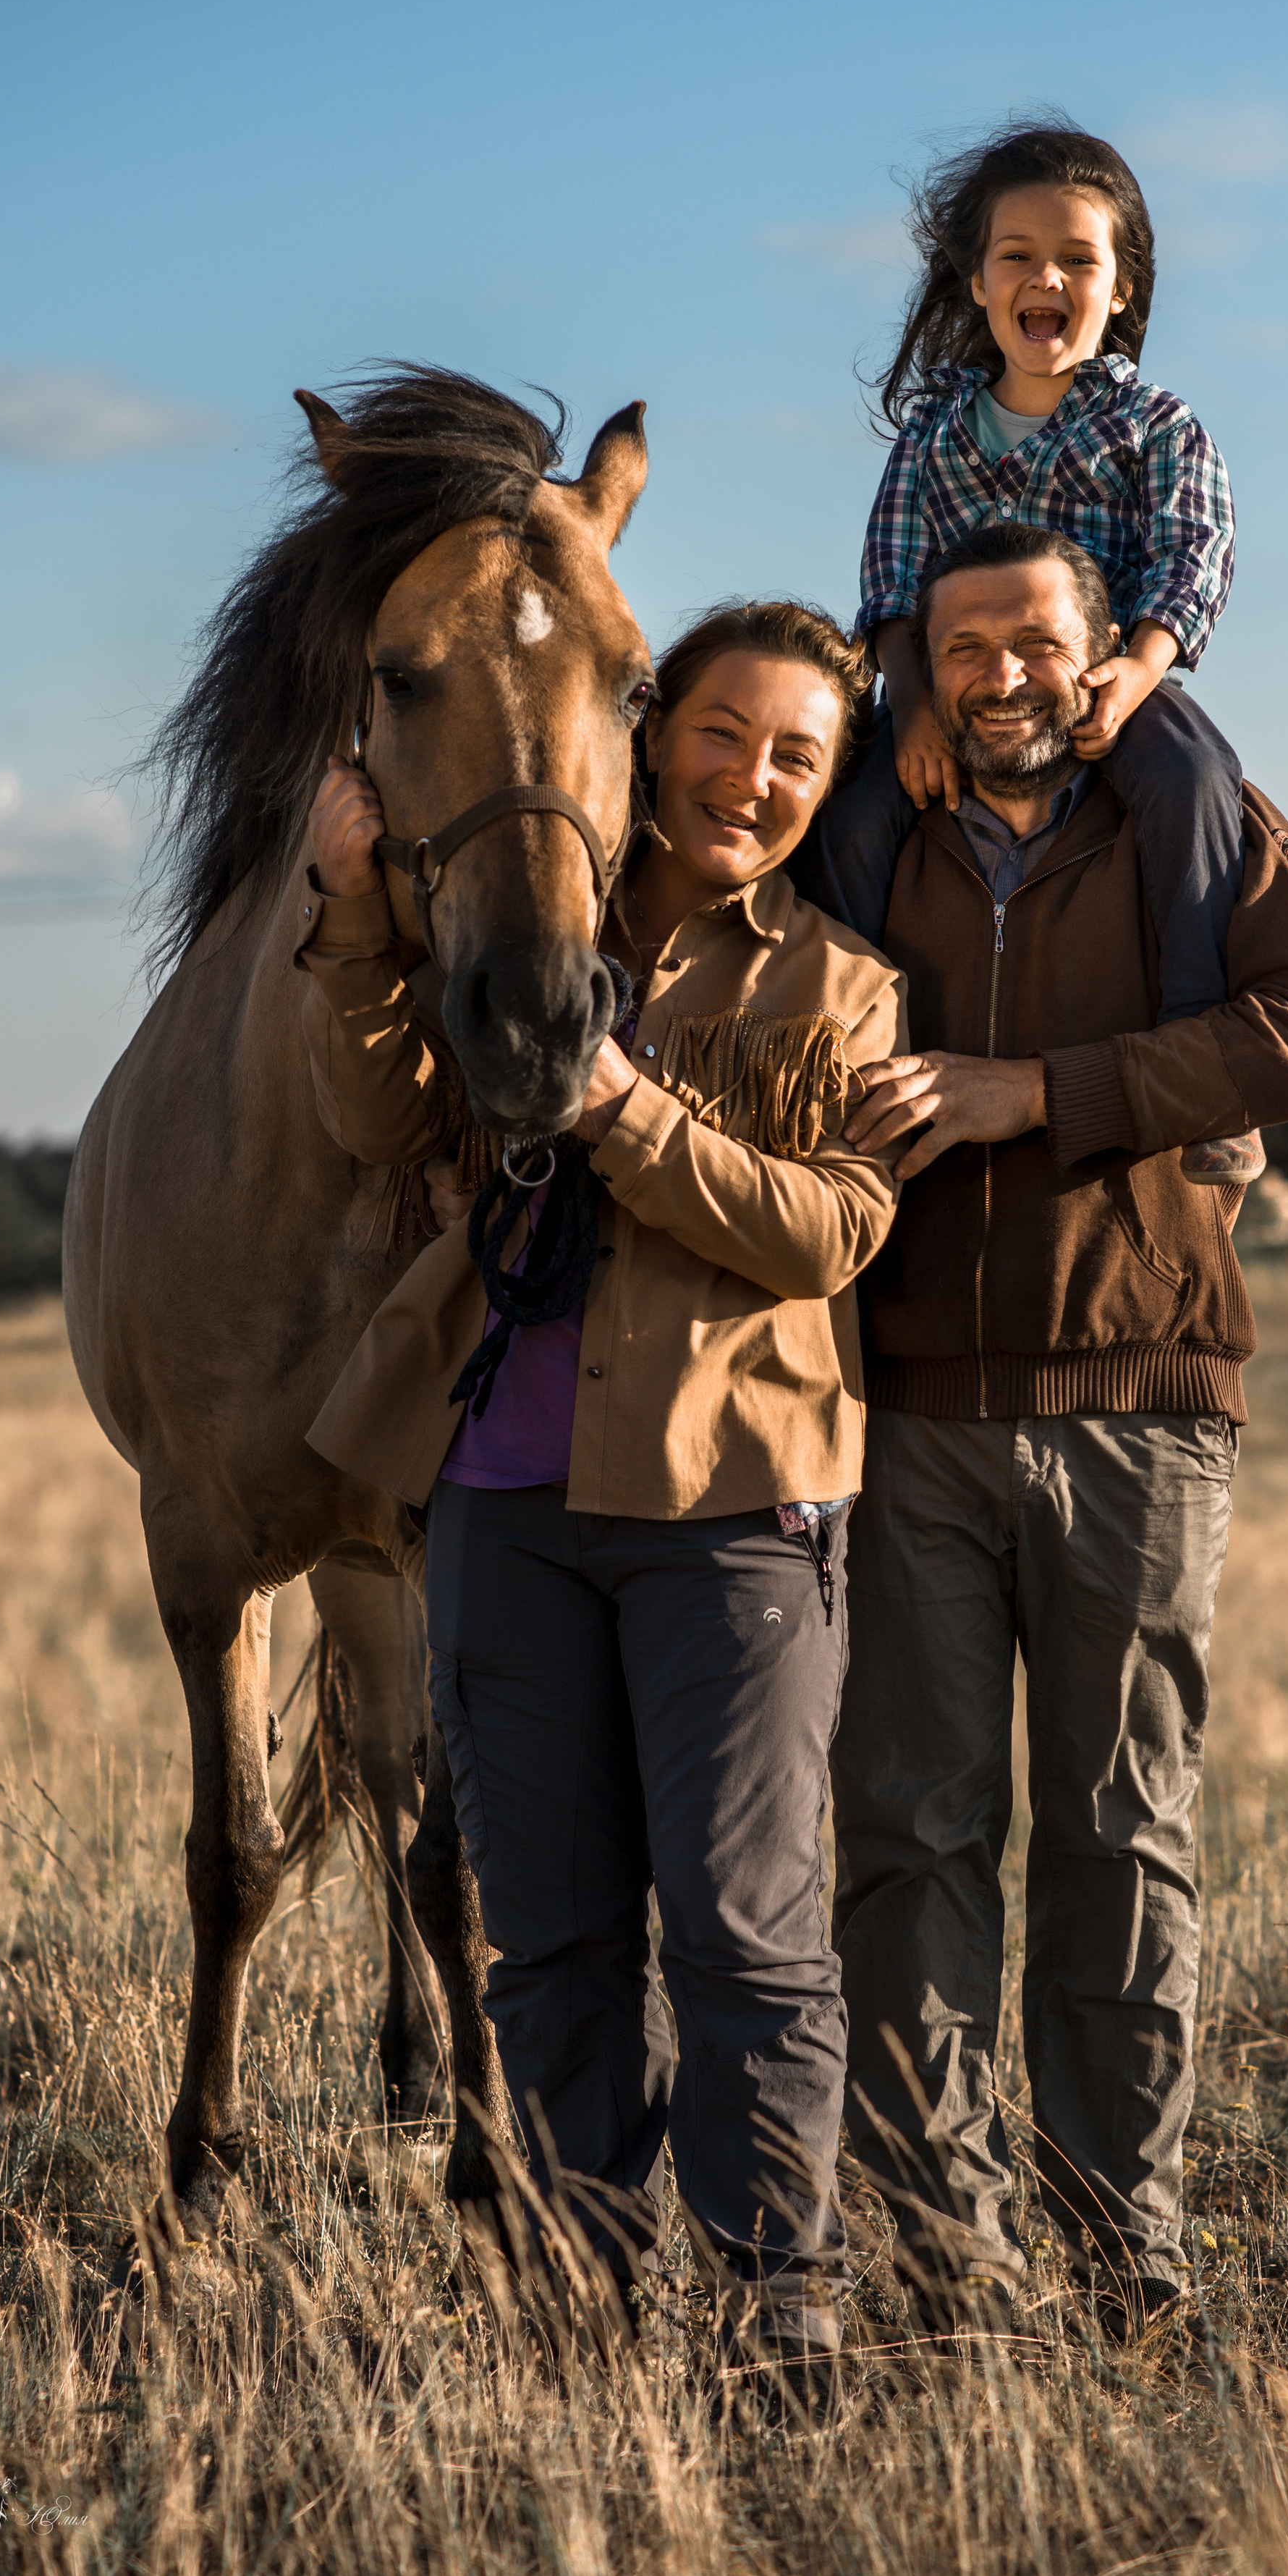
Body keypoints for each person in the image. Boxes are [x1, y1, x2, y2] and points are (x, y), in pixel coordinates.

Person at [295, 599, 904, 2367]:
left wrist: (620, 1105)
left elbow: (824, 1230)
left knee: (742, 1930)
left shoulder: (839, 989)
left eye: (798, 756)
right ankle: (583, 2281)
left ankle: (776, 2287)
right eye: (721, 733)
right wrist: (347, 919)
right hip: (500, 1493)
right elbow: (382, 1121)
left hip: (733, 1508)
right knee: (548, 1937)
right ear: (648, 733)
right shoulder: (515, 921)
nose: (753, 778)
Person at [826, 523, 1288, 2339]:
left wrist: (1032, 1097)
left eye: (1033, 641)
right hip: (901, 1405)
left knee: (1119, 1831)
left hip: (1139, 1399)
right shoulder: (865, 834)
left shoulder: (1192, 829)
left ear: (1099, 649)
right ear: (918, 661)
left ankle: (1116, 2247)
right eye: (962, 645)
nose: (1000, 675)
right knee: (907, 1832)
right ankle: (935, 2257)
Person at [795, 114, 1262, 1186]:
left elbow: (1196, 552)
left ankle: (1204, 1055)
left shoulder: (1158, 425)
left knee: (1194, 779)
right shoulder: (932, 433)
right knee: (854, 816)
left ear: (1123, 289)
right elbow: (891, 580)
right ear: (976, 283)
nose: (1046, 276)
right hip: (957, 694)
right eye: (1017, 256)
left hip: (1108, 678)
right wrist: (909, 708)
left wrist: (1139, 668)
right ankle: (827, 1048)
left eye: (1078, 258)